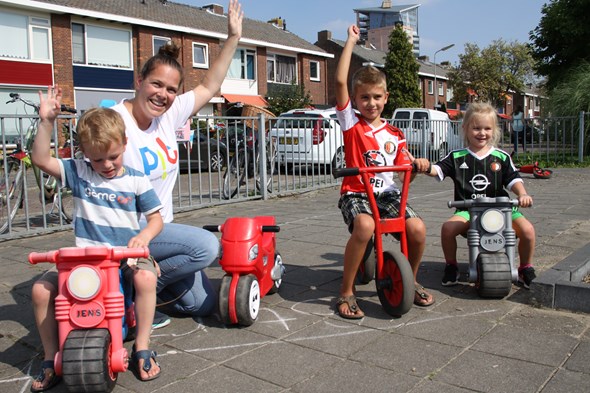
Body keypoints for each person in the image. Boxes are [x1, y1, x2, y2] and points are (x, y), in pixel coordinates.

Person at [111, 0, 243, 321]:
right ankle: (135, 288)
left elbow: (210, 85)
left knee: (202, 304)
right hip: (130, 233)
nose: (163, 94)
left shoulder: (168, 115)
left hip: (161, 231)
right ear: (138, 81)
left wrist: (233, 38)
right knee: (206, 247)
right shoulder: (114, 121)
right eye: (156, 84)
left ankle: (148, 286)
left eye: (171, 89)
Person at [30, 85, 165, 391]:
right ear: (84, 155)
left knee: (145, 280)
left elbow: (156, 219)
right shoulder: (79, 173)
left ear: (124, 144)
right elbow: (40, 159)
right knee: (40, 290)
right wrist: (47, 122)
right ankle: (52, 357)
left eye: (113, 157)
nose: (105, 165)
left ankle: (142, 345)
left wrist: (142, 237)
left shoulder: (135, 179)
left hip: (124, 258)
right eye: (97, 159)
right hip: (83, 260)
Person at [333, 25, 434, 319]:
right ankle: (347, 291)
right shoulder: (351, 124)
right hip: (357, 192)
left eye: (377, 97)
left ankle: (409, 280)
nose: (371, 103)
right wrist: (351, 41)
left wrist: (416, 166)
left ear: (386, 97)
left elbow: (405, 174)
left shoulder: (395, 133)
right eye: (364, 98)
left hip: (387, 195)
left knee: (417, 229)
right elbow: (340, 80)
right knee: (365, 227)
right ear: (355, 100)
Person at [414, 102, 537, 289]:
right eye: (476, 128)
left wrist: (523, 194)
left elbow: (514, 180)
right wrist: (423, 165)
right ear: (465, 128)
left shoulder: (502, 157)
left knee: (527, 231)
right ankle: (451, 265)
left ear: (494, 130)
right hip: (468, 210)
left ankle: (525, 267)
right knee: (447, 229)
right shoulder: (456, 156)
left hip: (502, 209)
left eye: (487, 128)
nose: (482, 133)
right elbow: (437, 169)